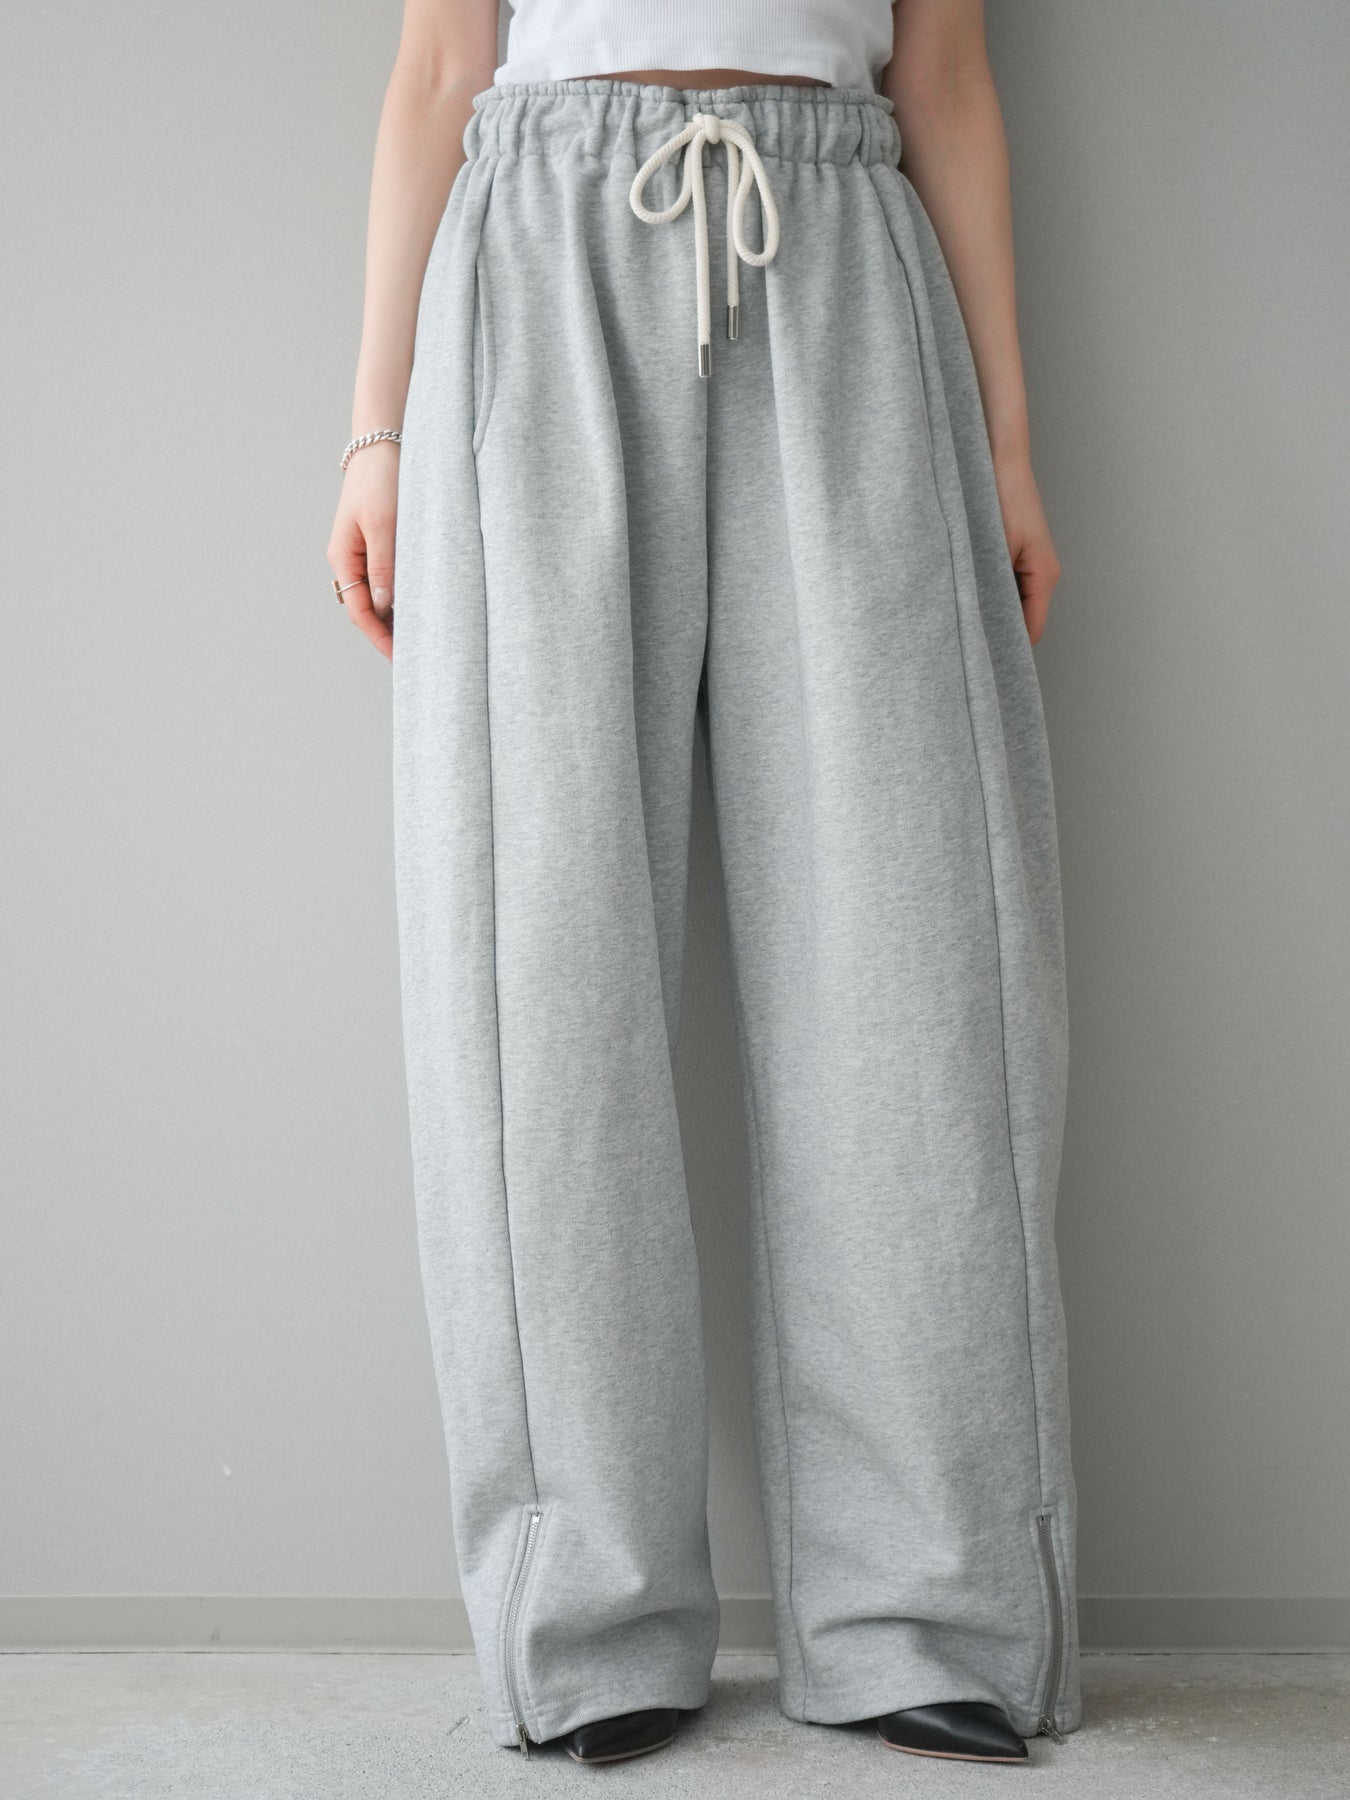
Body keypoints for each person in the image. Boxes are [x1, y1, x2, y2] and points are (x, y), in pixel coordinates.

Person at [328, 0, 1080, 1768]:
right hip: (536, 250)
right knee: (533, 965)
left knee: (918, 961)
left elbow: (943, 79)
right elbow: (437, 68)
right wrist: (372, 428)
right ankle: (582, 1618)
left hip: (844, 255)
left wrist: (1007, 442)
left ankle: (928, 1606)